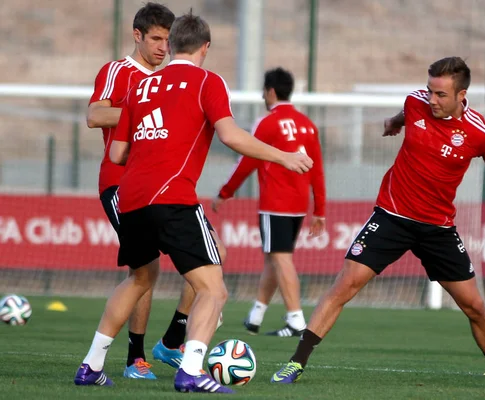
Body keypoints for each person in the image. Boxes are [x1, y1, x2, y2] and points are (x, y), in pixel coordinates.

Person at [75, 11, 313, 393]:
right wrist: (283, 156)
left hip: (130, 197)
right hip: (171, 196)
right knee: (213, 289)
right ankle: (189, 369)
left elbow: (117, 153)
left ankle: (91, 365)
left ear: (170, 45)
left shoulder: (142, 87)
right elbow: (231, 136)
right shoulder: (207, 81)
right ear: (205, 47)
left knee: (140, 277)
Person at [271, 56, 485, 392]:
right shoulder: (415, 102)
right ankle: (296, 362)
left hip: (438, 228)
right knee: (344, 285)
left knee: (474, 306)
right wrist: (395, 122)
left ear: (462, 95)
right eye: (430, 91)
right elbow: (408, 111)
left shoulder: (478, 132)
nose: (432, 99)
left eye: (441, 94)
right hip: (391, 216)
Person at [86, 3, 212, 379]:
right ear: (137, 35)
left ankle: (172, 340)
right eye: (155, 38)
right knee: (146, 270)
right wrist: (137, 110)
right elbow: (94, 114)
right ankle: (134, 358)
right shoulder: (119, 72)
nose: (162, 46)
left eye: (167, 39)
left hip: (158, 186)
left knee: (209, 255)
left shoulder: (168, 80)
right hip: (119, 184)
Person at [212, 67, 326, 338]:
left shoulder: (268, 122)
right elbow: (317, 169)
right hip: (298, 204)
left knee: (281, 258)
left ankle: (296, 320)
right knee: (274, 258)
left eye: (264, 91)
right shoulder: (307, 124)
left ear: (271, 91)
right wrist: (319, 209)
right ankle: (256, 316)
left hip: (275, 202)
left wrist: (225, 192)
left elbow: (247, 160)